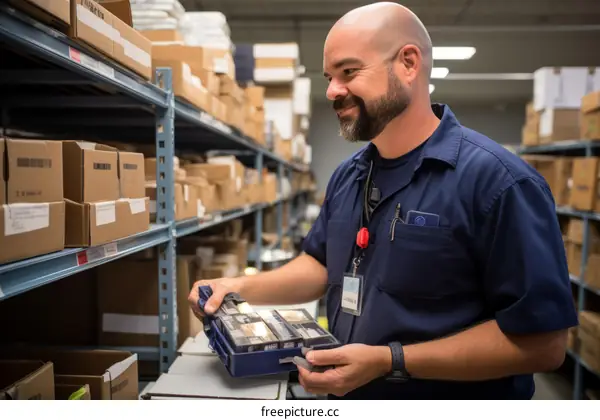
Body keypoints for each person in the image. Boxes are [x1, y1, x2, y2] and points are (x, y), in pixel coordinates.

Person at [189, 2, 578, 400]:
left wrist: (390, 360)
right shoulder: (350, 175)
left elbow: (543, 344)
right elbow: (321, 264)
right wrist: (237, 287)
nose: (332, 91)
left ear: (408, 64)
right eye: (329, 77)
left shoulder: (500, 183)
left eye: (349, 72)